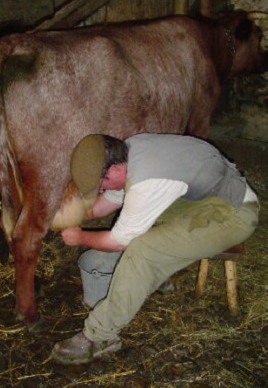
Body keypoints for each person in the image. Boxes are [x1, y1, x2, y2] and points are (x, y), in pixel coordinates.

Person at [52, 133, 259, 365]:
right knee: (138, 220)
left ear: (113, 171)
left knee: (143, 249)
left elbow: (118, 242)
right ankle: (156, 276)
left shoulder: (146, 182)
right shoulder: (130, 151)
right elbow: (107, 203)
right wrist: (76, 213)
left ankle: (100, 336)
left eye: (99, 185)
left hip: (234, 214)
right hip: (206, 198)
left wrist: (80, 237)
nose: (99, 190)